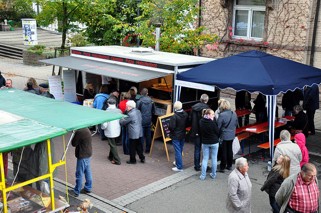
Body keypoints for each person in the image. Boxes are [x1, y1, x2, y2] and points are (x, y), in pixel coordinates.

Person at [69, 128, 93, 197]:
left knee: (79, 173)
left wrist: (74, 133)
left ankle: (76, 191)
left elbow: (74, 143)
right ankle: (88, 187)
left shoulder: (80, 131)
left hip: (82, 155)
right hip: (88, 153)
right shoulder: (86, 129)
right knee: (88, 171)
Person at [190, 94, 209, 171]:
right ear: (206, 100)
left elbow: (190, 118)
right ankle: (204, 165)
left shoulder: (194, 107)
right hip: (204, 131)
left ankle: (196, 165)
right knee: (205, 149)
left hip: (196, 130)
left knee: (197, 149)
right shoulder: (207, 109)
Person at [217, 99, 238, 172]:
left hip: (224, 135)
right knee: (230, 150)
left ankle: (222, 166)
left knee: (224, 151)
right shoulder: (234, 113)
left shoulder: (222, 115)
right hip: (232, 134)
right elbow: (236, 124)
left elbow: (218, 126)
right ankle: (229, 165)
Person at [199, 109, 219, 180]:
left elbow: (200, 131)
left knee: (205, 158)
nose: (214, 115)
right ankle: (213, 174)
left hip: (205, 142)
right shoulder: (213, 122)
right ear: (208, 115)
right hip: (214, 142)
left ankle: (203, 175)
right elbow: (217, 131)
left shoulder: (201, 121)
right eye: (212, 114)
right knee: (214, 158)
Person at [101, 98, 122, 165]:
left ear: (108, 104)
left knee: (112, 145)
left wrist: (102, 128)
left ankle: (117, 160)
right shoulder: (119, 111)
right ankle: (110, 157)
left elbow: (104, 124)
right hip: (117, 130)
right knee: (113, 143)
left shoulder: (106, 112)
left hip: (110, 130)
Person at [169, 101, 188, 172]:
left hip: (176, 135)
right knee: (180, 149)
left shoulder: (174, 116)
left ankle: (179, 167)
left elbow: (171, 127)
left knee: (177, 151)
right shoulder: (185, 114)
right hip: (182, 134)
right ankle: (177, 163)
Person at [137, 88, 155, 153]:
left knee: (141, 135)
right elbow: (154, 111)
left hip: (141, 120)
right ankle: (148, 149)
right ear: (147, 93)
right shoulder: (151, 101)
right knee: (148, 135)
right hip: (149, 119)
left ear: (141, 93)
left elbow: (137, 111)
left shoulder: (139, 101)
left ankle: (141, 149)